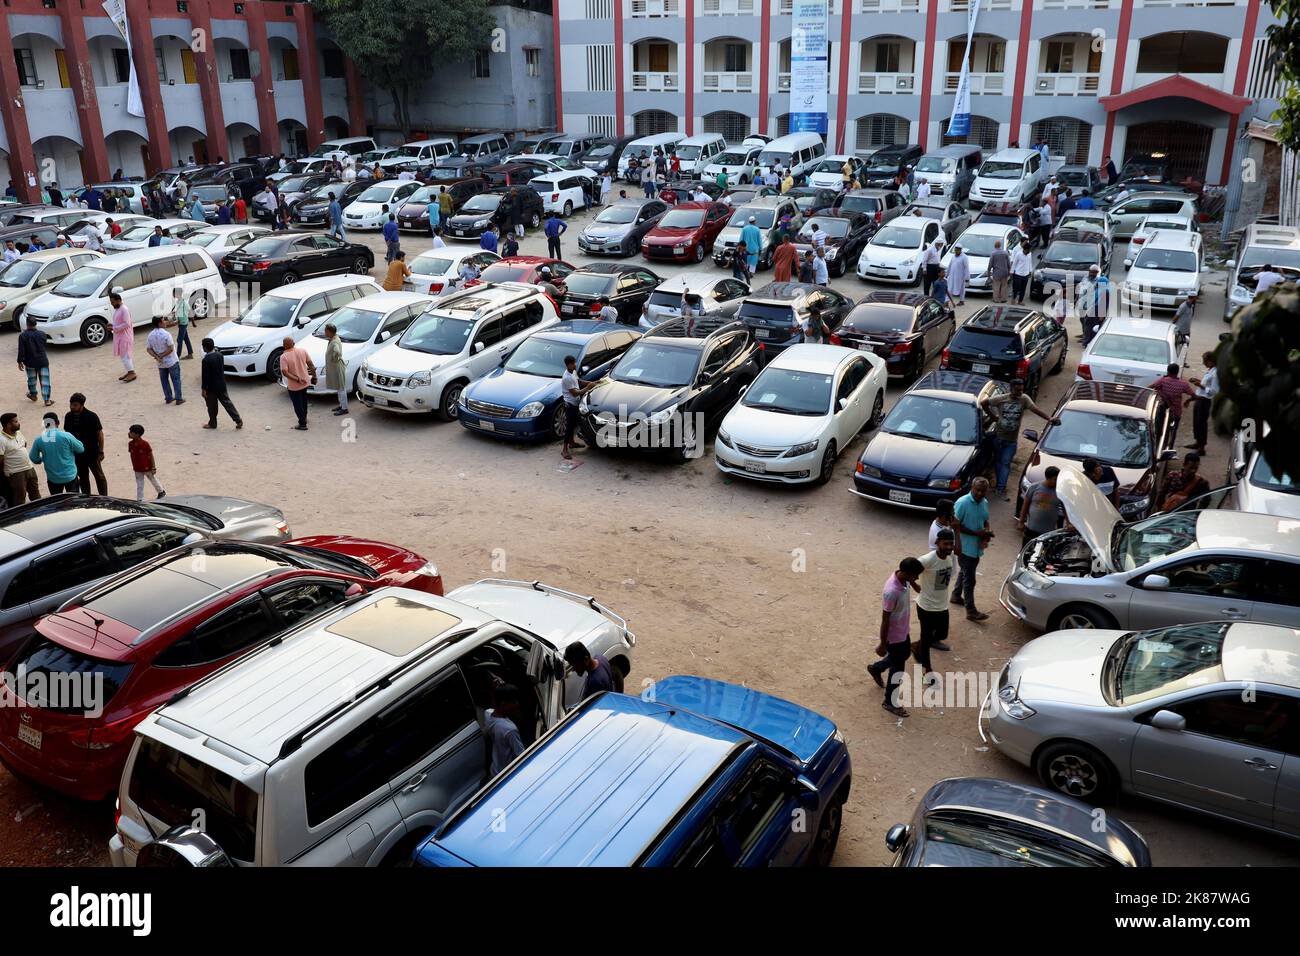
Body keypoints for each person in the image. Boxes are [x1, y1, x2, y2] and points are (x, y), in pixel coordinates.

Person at [981, 377, 1060, 499]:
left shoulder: (1024, 399)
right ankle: (998, 485)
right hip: (998, 438)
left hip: (1011, 440)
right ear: (1011, 389)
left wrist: (1049, 418)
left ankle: (1001, 488)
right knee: (998, 461)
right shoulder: (1001, 399)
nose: (1019, 393)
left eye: (1021, 390)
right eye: (1017, 390)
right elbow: (984, 403)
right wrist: (993, 417)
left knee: (1005, 463)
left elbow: (1035, 410)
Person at [868, 557, 923, 716]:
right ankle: (889, 702)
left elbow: (909, 579)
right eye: (915, 575)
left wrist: (912, 583)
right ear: (906, 573)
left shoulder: (903, 577)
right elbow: (885, 619)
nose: (917, 578)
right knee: (898, 668)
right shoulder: (892, 592)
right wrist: (883, 644)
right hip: (894, 636)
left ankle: (876, 668)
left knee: (904, 654)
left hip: (903, 629)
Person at [914, 529, 958, 671]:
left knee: (942, 634)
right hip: (926, 607)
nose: (949, 547)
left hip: (942, 606)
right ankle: (927, 670)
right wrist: (915, 585)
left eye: (951, 544)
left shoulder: (950, 557)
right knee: (926, 641)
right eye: (946, 544)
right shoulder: (927, 560)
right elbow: (908, 572)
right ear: (937, 543)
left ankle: (917, 646)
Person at [952, 478, 993, 622]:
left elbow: (985, 521)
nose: (980, 493)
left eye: (983, 491)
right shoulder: (962, 503)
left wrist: (986, 532)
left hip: (976, 548)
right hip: (964, 548)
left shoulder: (985, 503)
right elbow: (955, 525)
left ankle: (956, 595)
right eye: (978, 490)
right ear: (972, 487)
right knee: (970, 579)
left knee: (965, 571)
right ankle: (971, 610)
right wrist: (977, 534)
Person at [29, 411, 84, 494]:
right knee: (74, 501)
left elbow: (33, 457)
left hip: (53, 478)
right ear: (58, 422)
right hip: (70, 475)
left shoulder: (39, 440)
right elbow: (80, 449)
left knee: (56, 501)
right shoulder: (66, 436)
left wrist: (41, 459)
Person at [63, 394, 107, 495]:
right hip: (78, 454)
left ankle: (104, 497)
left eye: (75, 405)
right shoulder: (68, 416)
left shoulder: (92, 416)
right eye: (71, 404)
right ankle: (87, 498)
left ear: (82, 405)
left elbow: (100, 434)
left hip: (92, 453)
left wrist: (101, 451)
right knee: (83, 477)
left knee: (99, 476)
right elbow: (67, 435)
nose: (72, 407)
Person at [200, 337, 243, 430]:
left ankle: (212, 423)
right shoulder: (219, 355)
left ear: (205, 348)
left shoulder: (206, 360)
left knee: (212, 407)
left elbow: (205, 376)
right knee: (228, 403)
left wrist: (203, 389)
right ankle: (238, 420)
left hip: (211, 388)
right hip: (221, 385)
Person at [485, 683, 526, 776]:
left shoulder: (487, 714)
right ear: (503, 704)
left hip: (495, 771)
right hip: (506, 775)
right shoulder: (510, 730)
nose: (517, 704)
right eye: (513, 702)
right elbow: (522, 756)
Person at [1017, 465, 1064, 547]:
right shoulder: (1034, 487)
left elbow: (1065, 508)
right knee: (1026, 552)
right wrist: (1021, 522)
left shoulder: (1059, 492)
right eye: (1055, 479)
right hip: (1031, 529)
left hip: (1048, 533)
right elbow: (1025, 505)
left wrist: (1069, 523)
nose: (1057, 482)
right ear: (1048, 478)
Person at [560, 354, 595, 460]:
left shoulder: (573, 372)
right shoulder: (566, 378)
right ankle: (564, 450)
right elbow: (575, 393)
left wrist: (592, 383)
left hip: (576, 404)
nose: (575, 365)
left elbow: (579, 381)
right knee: (569, 427)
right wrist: (588, 388)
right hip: (570, 405)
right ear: (569, 365)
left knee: (574, 425)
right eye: (574, 363)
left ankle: (572, 443)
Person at [0, 413, 41, 504]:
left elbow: (24, 445)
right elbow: (0, 460)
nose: (19, 423)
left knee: (36, 494)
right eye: (16, 422)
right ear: (8, 424)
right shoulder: (1, 440)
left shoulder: (18, 433)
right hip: (16, 473)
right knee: (20, 497)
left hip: (29, 468)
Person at [1151, 362, 1197, 440]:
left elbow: (1151, 387)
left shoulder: (1163, 380)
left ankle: (1158, 444)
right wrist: (1188, 401)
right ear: (1177, 372)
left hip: (1163, 409)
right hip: (1176, 411)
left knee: (1159, 429)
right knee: (1173, 431)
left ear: (1168, 371)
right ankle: (1170, 446)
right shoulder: (1184, 384)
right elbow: (1194, 396)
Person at [279, 336, 316, 430]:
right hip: (305, 382)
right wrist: (314, 376)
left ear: (284, 346)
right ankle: (305, 418)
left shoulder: (283, 357)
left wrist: (296, 379)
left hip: (294, 385)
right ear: (294, 343)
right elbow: (311, 364)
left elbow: (285, 372)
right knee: (304, 401)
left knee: (297, 404)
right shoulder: (303, 351)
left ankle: (302, 424)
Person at [1186, 350, 1218, 455]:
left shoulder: (1215, 373)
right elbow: (1206, 384)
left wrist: (1200, 385)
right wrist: (1198, 381)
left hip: (1205, 401)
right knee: (1196, 422)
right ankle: (1198, 441)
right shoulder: (1210, 371)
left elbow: (1213, 391)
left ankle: (1202, 446)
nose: (1203, 363)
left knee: (1201, 423)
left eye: (1205, 361)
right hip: (1200, 399)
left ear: (1211, 361)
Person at [146, 316, 183, 405]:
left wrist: (157, 356)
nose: (165, 322)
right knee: (176, 379)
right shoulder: (166, 334)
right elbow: (171, 349)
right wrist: (161, 355)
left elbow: (148, 349)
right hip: (171, 361)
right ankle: (178, 398)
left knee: (164, 380)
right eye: (163, 321)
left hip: (161, 363)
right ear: (159, 323)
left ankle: (168, 397)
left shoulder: (150, 335)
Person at [17, 315, 52, 407]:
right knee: (45, 381)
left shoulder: (22, 336)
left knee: (32, 380)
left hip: (30, 362)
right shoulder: (43, 334)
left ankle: (33, 395)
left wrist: (19, 361)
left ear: (27, 324)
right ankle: (47, 400)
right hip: (42, 361)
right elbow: (43, 345)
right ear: (36, 324)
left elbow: (21, 351)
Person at [127, 424, 165, 500]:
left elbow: (151, 455)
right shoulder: (130, 444)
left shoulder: (145, 444)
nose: (129, 433)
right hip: (137, 468)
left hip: (147, 467)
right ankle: (140, 499)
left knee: (152, 479)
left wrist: (153, 467)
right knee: (139, 484)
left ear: (137, 434)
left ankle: (161, 491)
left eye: (131, 432)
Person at [108, 289, 136, 383]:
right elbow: (119, 322)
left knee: (125, 356)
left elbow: (126, 324)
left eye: (113, 302)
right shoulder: (118, 310)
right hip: (120, 336)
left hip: (125, 336)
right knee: (123, 355)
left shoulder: (124, 309)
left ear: (118, 300)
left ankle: (132, 373)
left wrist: (114, 328)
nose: (112, 304)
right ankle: (129, 371)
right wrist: (112, 326)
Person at [323, 323, 350, 417]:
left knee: (341, 388)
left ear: (330, 332)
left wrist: (334, 358)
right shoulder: (334, 338)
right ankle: (341, 405)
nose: (324, 332)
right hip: (336, 367)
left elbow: (337, 352)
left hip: (337, 367)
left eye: (326, 330)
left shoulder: (334, 342)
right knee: (339, 388)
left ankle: (344, 408)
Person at [168, 287, 194, 360]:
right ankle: (190, 354)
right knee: (186, 339)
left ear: (177, 294)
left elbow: (190, 311)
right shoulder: (179, 302)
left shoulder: (184, 303)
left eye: (173, 293)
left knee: (179, 340)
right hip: (181, 323)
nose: (173, 294)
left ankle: (177, 356)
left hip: (183, 323)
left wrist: (193, 322)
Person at [987, 239, 1011, 304]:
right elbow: (1008, 263)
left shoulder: (993, 253)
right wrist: (1009, 271)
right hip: (1004, 272)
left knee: (996, 286)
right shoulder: (1005, 253)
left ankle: (996, 299)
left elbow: (990, 264)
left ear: (995, 246)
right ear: (1000, 245)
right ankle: (1003, 299)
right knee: (1004, 286)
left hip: (997, 273)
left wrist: (988, 273)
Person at [1010, 240, 1033, 304]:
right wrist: (1011, 272)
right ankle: (1013, 298)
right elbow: (1014, 263)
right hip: (1018, 274)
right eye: (1028, 250)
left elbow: (1030, 263)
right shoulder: (1018, 254)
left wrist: (1030, 271)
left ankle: (1020, 301)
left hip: (1025, 274)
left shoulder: (1029, 254)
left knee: (1023, 288)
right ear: (1025, 249)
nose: (1029, 251)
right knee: (1016, 288)